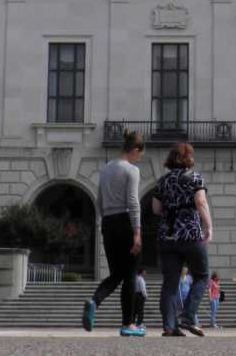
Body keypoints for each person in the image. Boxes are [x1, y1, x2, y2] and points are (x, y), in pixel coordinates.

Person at [84, 129, 146, 337]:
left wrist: (105, 221)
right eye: (140, 155)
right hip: (125, 221)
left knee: (117, 274)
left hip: (108, 222)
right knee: (129, 275)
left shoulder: (106, 169)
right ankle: (128, 325)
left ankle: (94, 301)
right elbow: (133, 202)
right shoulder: (131, 170)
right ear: (135, 150)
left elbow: (99, 200)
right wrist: (137, 233)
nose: (139, 159)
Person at [150, 141, 213, 338]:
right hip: (191, 235)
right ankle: (188, 315)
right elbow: (201, 202)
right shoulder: (195, 178)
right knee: (202, 275)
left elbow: (156, 209)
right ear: (189, 159)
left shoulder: (162, 181)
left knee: (170, 282)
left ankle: (170, 327)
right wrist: (209, 227)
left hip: (167, 236)